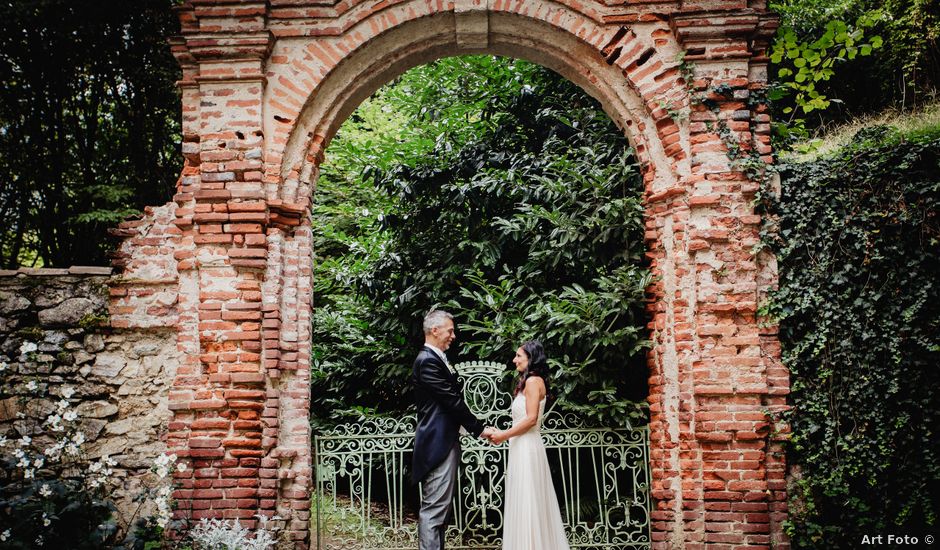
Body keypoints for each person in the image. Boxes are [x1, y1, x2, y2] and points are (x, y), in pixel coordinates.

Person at [412, 309, 496, 550]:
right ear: (435, 330)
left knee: (439, 510)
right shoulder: (427, 360)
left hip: (444, 440)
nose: (453, 335)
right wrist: (479, 429)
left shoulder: (435, 358)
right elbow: (451, 401)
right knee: (434, 510)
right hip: (437, 443)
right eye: (450, 330)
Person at [488, 340, 570, 550]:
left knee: (528, 501)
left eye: (519, 356)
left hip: (526, 447)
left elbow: (531, 418)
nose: (514, 360)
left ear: (530, 359)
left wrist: (503, 435)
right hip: (521, 445)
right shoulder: (530, 381)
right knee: (525, 500)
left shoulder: (533, 381)